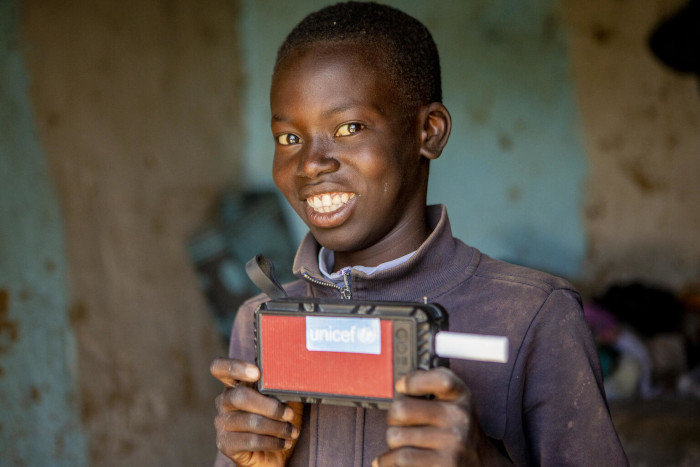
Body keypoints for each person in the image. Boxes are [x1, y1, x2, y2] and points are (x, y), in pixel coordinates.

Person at [210, 2, 628, 466]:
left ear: (428, 131)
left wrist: (481, 460)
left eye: (349, 128)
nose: (310, 163)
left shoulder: (531, 317)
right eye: (289, 138)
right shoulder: (263, 323)